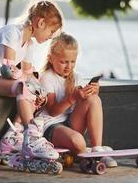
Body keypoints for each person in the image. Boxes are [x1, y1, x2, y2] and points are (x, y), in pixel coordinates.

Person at [0, 0, 63, 161]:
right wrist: (27, 82)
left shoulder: (29, 44)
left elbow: (27, 73)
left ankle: (12, 138)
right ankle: (32, 137)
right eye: (51, 31)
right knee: (23, 88)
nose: (51, 36)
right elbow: (7, 70)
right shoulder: (12, 33)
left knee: (33, 93)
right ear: (41, 22)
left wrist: (39, 89)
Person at [39, 32, 117, 167]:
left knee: (94, 99)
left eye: (72, 62)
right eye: (63, 62)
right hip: (51, 126)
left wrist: (91, 92)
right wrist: (72, 97)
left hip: (71, 122)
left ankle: (97, 150)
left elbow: (84, 103)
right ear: (51, 59)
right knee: (78, 141)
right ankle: (83, 152)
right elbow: (52, 111)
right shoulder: (47, 77)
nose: (68, 66)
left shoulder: (76, 77)